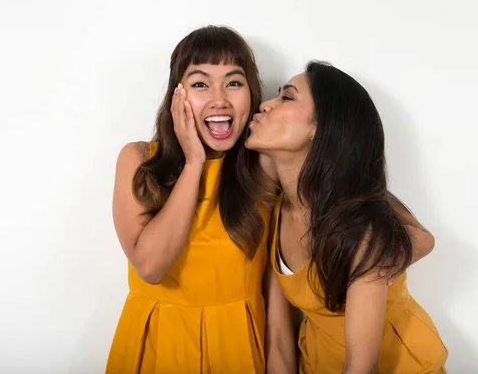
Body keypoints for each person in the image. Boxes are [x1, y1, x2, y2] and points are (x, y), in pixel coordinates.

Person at [247, 61, 448, 373]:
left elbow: (360, 366)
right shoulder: (276, 213)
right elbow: (278, 337)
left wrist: (378, 263)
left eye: (287, 97)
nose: (265, 104)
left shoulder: (360, 229)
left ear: (320, 128)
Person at [106, 25, 277, 373]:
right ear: (177, 95)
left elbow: (276, 296)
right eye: (200, 83)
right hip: (157, 349)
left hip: (239, 350)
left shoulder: (266, 169)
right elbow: (151, 267)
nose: (220, 99)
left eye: (234, 82)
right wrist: (194, 161)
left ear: (252, 93)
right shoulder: (138, 159)